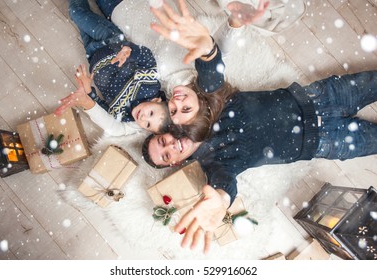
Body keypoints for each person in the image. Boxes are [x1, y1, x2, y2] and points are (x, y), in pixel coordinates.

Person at [143, 0, 377, 253]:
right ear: (175, 163)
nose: (170, 145)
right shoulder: (214, 164)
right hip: (329, 141)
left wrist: (208, 51)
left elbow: (211, 76)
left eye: (162, 141)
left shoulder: (207, 108)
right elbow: (225, 185)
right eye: (167, 154)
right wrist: (221, 200)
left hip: (321, 97)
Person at [55, 0, 171, 136]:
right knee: (77, 13)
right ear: (156, 101)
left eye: (147, 124)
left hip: (92, 56)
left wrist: (87, 88)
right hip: (110, 40)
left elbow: (100, 105)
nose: (144, 118)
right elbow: (147, 59)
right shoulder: (149, 87)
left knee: (81, 14)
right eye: (151, 113)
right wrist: (130, 51)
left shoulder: (124, 116)